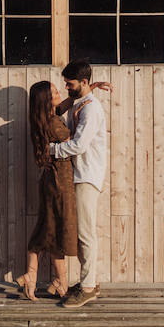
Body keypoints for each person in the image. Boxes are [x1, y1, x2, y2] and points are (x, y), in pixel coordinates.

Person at [49, 60, 109, 308]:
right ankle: (89, 282)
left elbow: (79, 145)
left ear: (82, 82)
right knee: (83, 232)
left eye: (70, 83)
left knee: (86, 233)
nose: (66, 87)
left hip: (87, 175)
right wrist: (91, 87)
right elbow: (57, 112)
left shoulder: (91, 109)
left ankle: (87, 288)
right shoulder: (81, 103)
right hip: (80, 174)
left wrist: (51, 150)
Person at [16, 81, 77, 301]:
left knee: (49, 230)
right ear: (46, 100)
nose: (59, 92)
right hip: (60, 182)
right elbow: (74, 142)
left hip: (51, 181)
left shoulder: (43, 119)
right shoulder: (53, 124)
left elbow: (61, 107)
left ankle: (36, 277)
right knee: (54, 232)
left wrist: (83, 93)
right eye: (53, 92)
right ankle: (58, 282)